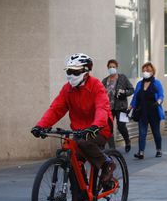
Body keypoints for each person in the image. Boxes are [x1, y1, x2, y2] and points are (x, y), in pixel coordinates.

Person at [31, 53, 115, 193]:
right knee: (72, 158)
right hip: (79, 129)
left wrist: (95, 126)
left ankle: (107, 164)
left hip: (100, 127)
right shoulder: (67, 89)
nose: (71, 75)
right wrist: (41, 125)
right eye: (69, 71)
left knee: (83, 143)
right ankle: (80, 197)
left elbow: (102, 108)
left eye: (75, 71)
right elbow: (56, 109)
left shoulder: (96, 86)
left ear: (86, 71)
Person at [128, 62, 165, 159]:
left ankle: (159, 150)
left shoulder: (157, 83)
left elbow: (161, 94)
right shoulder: (140, 84)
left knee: (156, 132)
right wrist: (130, 107)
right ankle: (141, 152)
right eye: (144, 70)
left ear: (153, 72)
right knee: (142, 133)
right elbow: (135, 97)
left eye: (148, 70)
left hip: (154, 111)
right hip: (142, 112)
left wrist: (159, 101)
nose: (145, 72)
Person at [102, 59, 134, 152]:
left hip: (121, 107)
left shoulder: (122, 78)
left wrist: (124, 93)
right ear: (108, 68)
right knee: (109, 128)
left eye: (113, 67)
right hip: (109, 109)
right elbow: (100, 93)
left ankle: (127, 140)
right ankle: (112, 148)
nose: (112, 68)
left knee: (121, 126)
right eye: (110, 67)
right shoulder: (104, 81)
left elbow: (132, 89)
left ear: (116, 67)